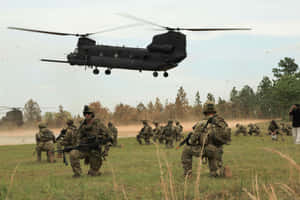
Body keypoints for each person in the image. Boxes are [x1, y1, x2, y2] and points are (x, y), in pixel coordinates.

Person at [181, 101, 231, 178]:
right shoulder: (221, 122)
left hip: (207, 150)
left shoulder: (201, 123)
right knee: (214, 174)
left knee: (186, 150)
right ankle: (221, 171)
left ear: (204, 110)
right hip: (218, 151)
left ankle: (188, 174)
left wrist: (191, 140)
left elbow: (192, 140)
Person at [69, 105, 112, 178]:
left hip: (95, 151)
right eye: (85, 114)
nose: (87, 115)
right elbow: (78, 137)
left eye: (89, 113)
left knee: (93, 174)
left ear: (92, 115)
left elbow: (109, 137)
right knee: (73, 154)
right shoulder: (82, 126)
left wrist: (106, 150)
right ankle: (77, 174)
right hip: (85, 149)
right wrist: (78, 145)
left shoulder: (98, 124)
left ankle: (94, 170)